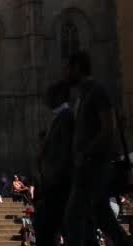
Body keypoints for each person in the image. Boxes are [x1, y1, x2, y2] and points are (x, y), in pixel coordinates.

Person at [62, 51, 132, 246]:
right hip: (88, 168)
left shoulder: (97, 91)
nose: (64, 73)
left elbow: (109, 128)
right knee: (105, 221)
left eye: (67, 69)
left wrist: (86, 153)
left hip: (93, 168)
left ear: (77, 68)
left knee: (73, 219)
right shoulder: (84, 95)